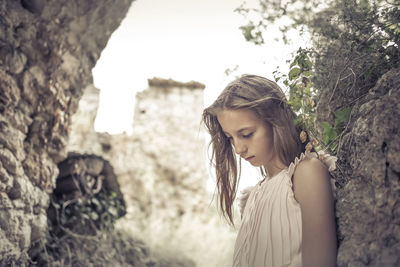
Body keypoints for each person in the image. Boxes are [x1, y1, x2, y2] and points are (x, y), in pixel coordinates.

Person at [202, 74, 337, 267]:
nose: (238, 148)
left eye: (246, 134)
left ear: (276, 122)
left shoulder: (306, 174)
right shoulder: (251, 198)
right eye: (230, 138)